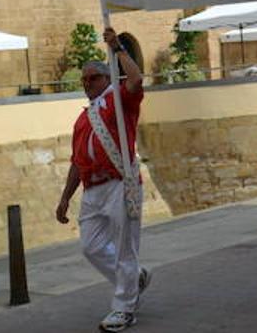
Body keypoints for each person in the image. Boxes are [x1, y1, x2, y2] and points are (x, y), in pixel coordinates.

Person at [56, 27, 150, 333]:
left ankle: (124, 307)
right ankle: (133, 279)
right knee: (91, 246)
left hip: (119, 182)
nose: (86, 83)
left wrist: (117, 47)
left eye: (93, 78)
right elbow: (76, 161)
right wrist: (65, 196)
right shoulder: (84, 117)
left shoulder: (119, 99)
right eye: (83, 79)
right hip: (93, 189)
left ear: (108, 77)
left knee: (125, 249)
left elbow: (136, 80)